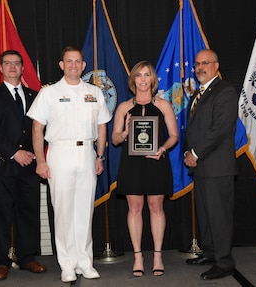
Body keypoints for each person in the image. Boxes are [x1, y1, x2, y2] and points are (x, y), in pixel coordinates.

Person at [27, 46, 111, 283]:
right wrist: (40, 161)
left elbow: (102, 125)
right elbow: (37, 128)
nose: (74, 65)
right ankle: (66, 264)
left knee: (85, 210)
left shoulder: (95, 92)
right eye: (69, 61)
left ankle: (85, 262)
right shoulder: (49, 93)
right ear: (61, 65)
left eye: (78, 61)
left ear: (84, 66)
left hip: (86, 152)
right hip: (59, 153)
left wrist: (100, 156)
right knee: (63, 211)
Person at [0, 50, 47, 281]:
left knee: (28, 213)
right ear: (0, 68)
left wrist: (34, 155)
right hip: (1, 165)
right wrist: (14, 153)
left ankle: (27, 257)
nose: (12, 67)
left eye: (16, 64)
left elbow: (41, 128)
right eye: (7, 63)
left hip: (29, 165)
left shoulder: (35, 94)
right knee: (0, 215)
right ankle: (2, 261)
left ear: (22, 68)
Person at [112, 61, 179, 277]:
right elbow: (114, 139)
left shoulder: (164, 105)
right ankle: (138, 256)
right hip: (131, 163)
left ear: (152, 80)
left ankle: (158, 255)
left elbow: (174, 136)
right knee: (135, 208)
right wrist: (125, 132)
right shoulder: (123, 107)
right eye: (138, 75)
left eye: (146, 75)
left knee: (156, 206)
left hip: (156, 160)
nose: (142, 79)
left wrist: (162, 149)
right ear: (133, 80)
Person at [183, 49, 238, 280]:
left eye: (205, 63)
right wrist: (189, 151)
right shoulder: (199, 93)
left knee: (219, 216)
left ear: (216, 65)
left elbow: (219, 129)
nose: (199, 67)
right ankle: (210, 253)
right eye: (196, 64)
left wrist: (195, 152)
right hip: (202, 166)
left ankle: (224, 262)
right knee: (206, 214)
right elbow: (196, 128)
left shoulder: (224, 91)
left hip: (217, 166)